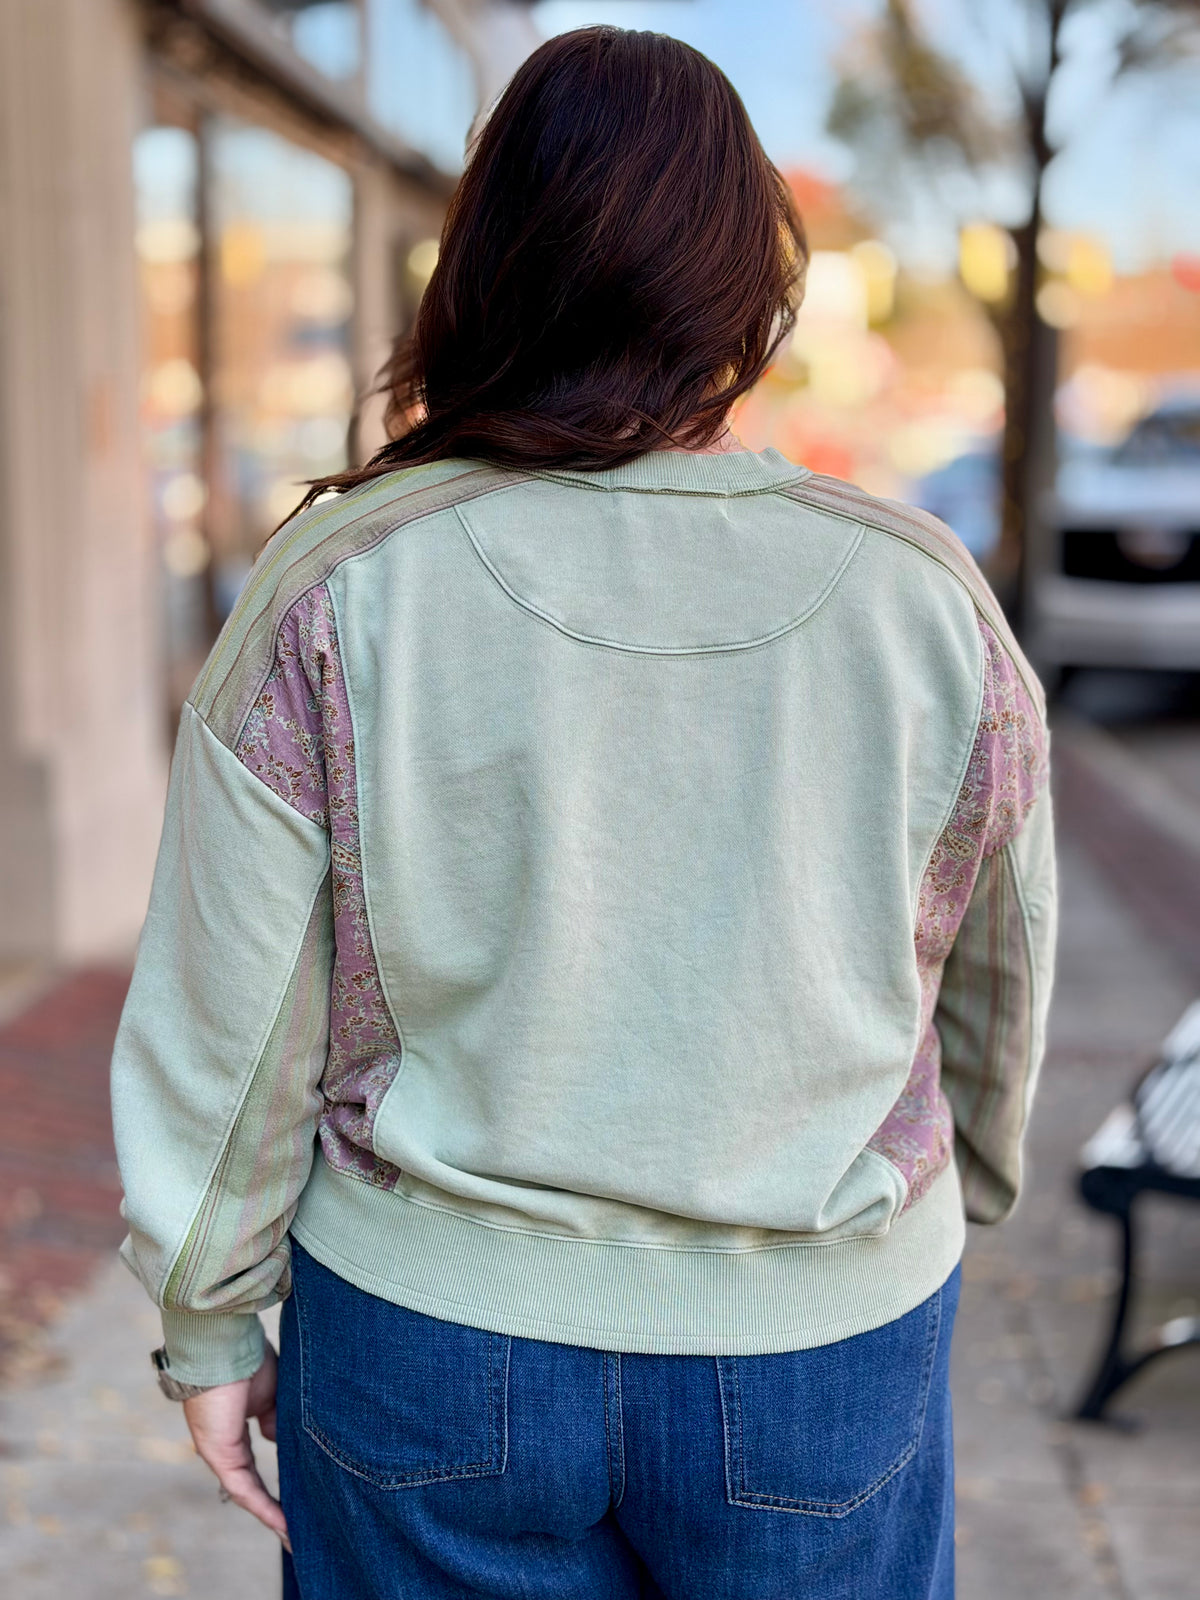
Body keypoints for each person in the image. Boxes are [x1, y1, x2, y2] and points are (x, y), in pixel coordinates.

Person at [111, 26, 1056, 1600]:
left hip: (431, 1341)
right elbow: (995, 954)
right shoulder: (922, 599)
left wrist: (208, 1315)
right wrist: (971, 1171)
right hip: (820, 1339)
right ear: (749, 282)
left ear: (485, 260)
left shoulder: (342, 581)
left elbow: (239, 1010)